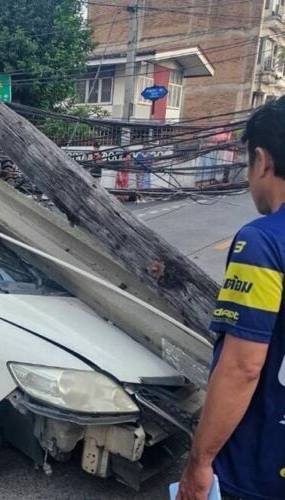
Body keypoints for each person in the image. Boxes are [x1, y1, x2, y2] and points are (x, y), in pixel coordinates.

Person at [177, 98, 285, 500]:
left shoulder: (264, 242)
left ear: (261, 160)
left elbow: (242, 367)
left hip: (262, 467)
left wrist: (199, 463)